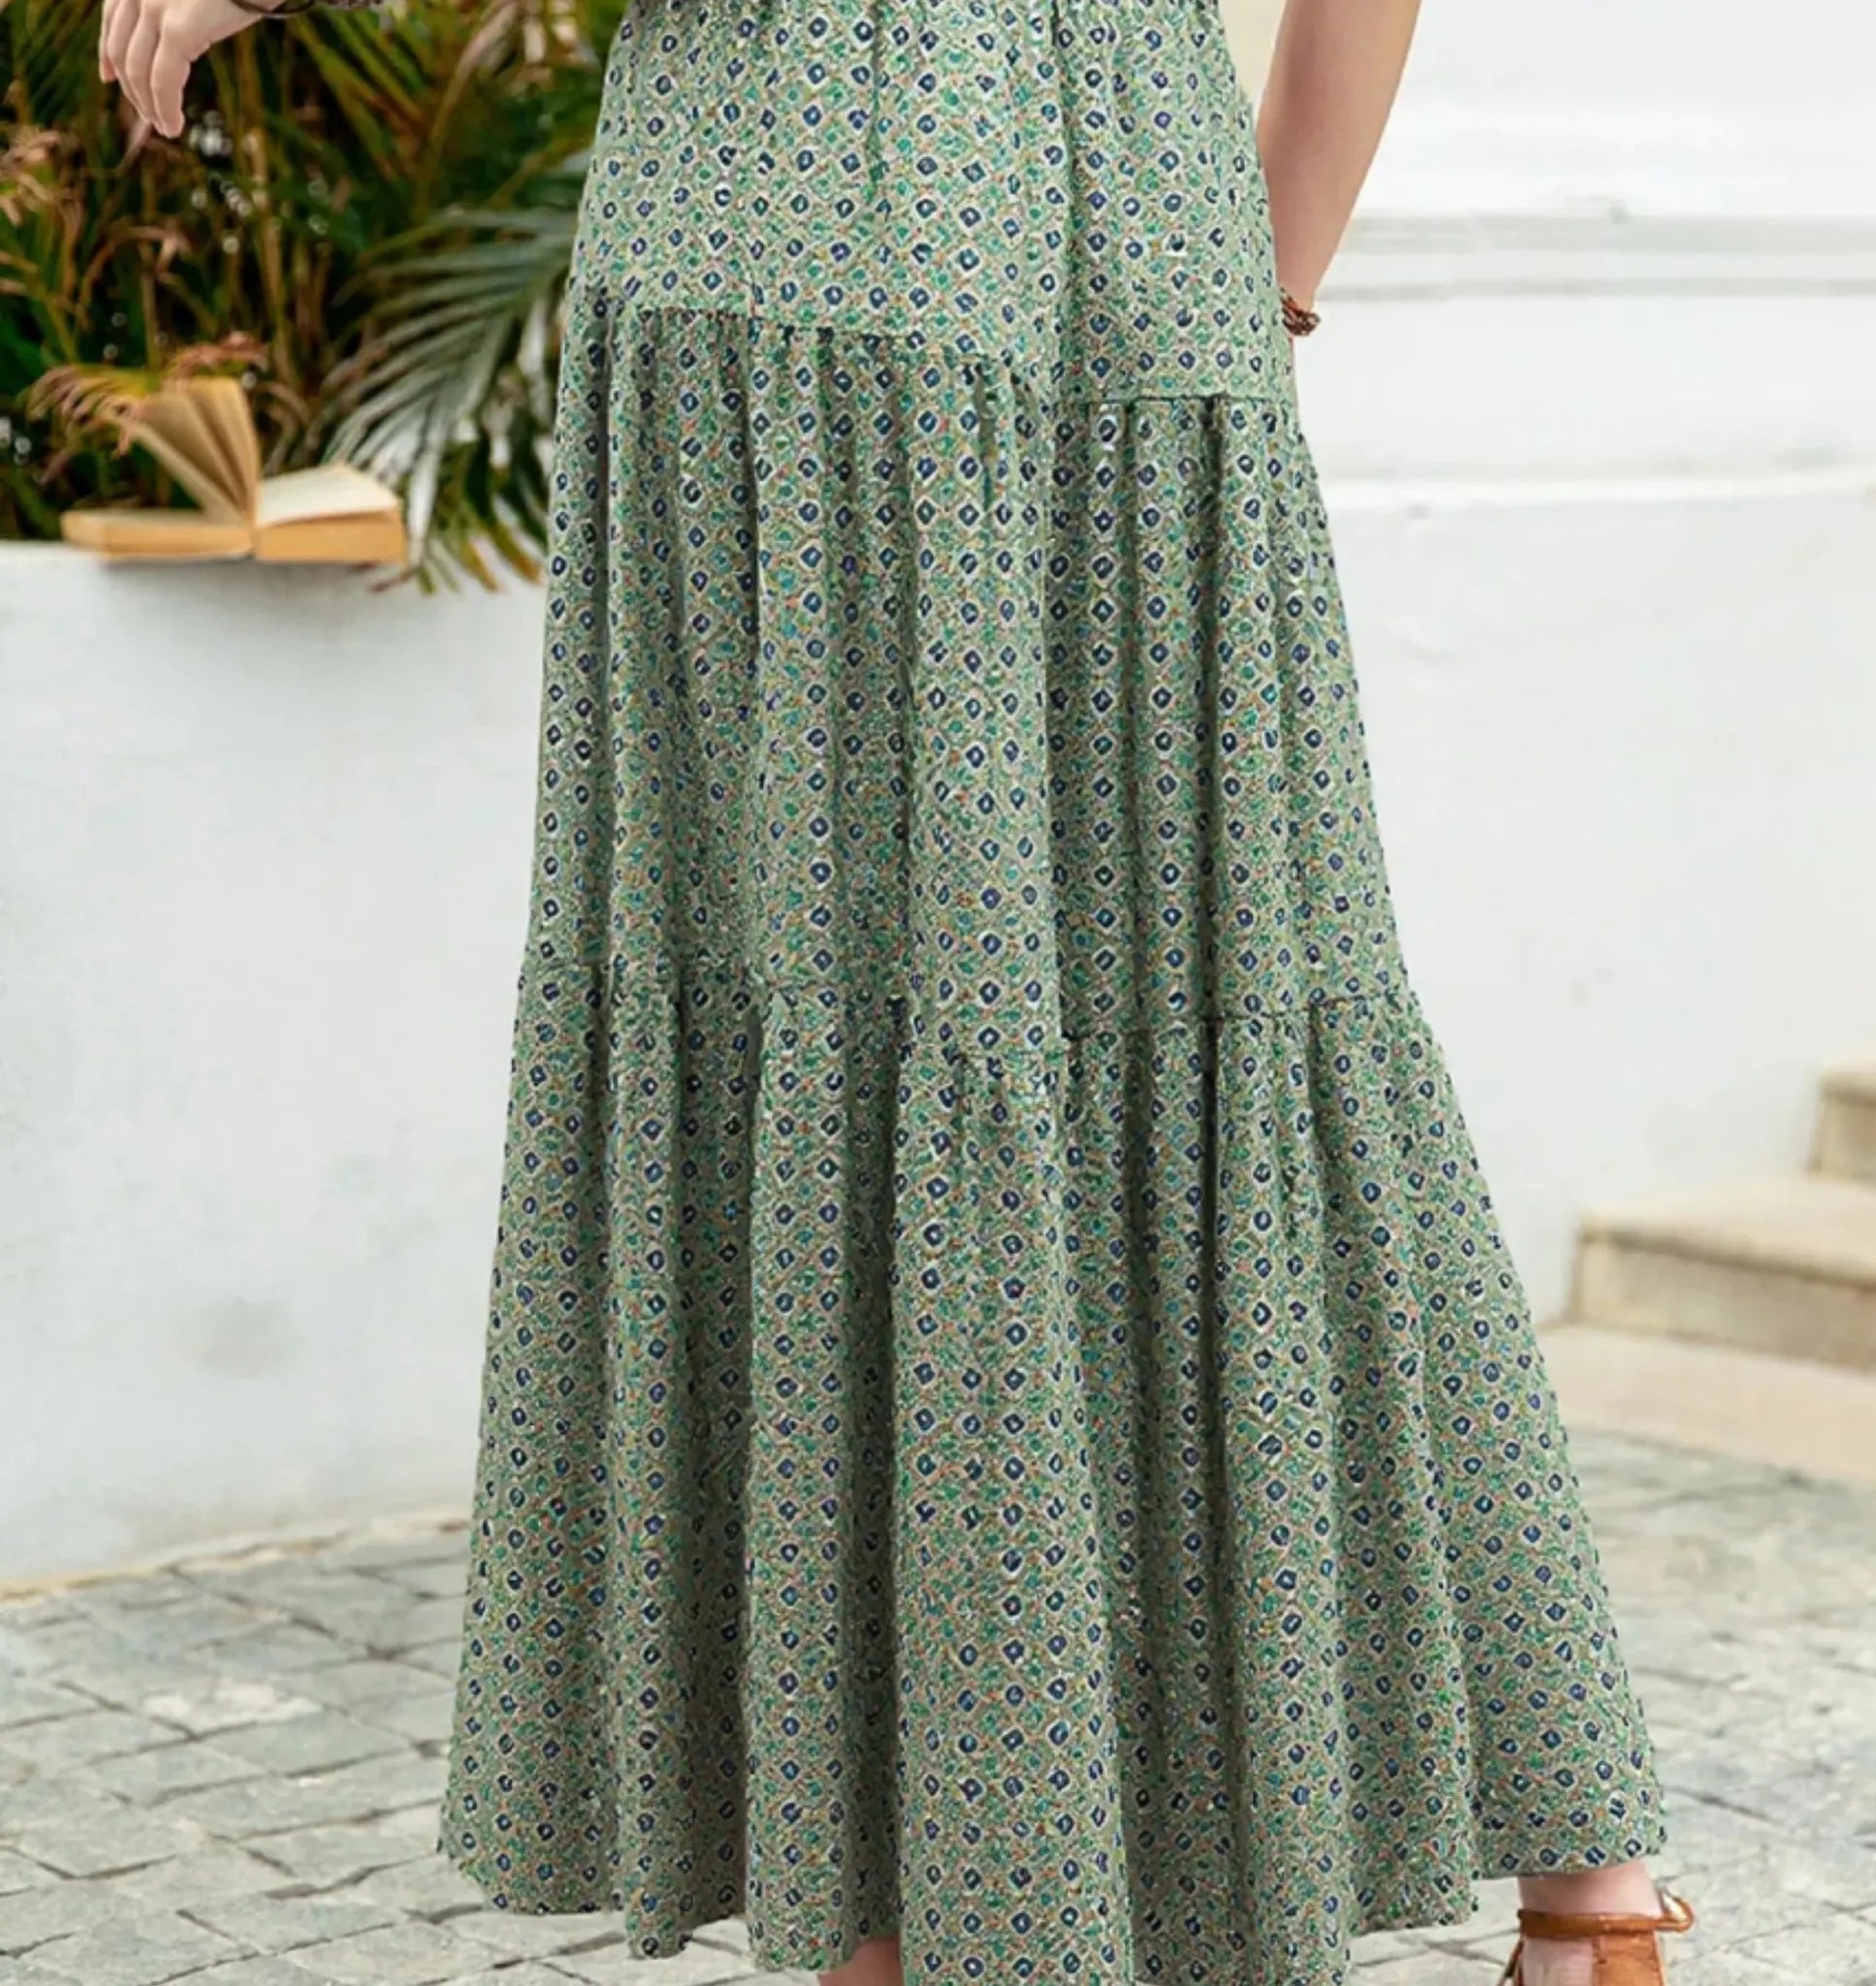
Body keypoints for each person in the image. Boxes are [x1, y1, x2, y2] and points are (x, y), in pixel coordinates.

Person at [102, 0, 1699, 1982]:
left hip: (798, 222)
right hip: (1157, 232)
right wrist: (1253, 276)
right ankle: (1588, 1899)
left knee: (849, 1004)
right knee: (1257, 1003)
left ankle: (911, 1892)